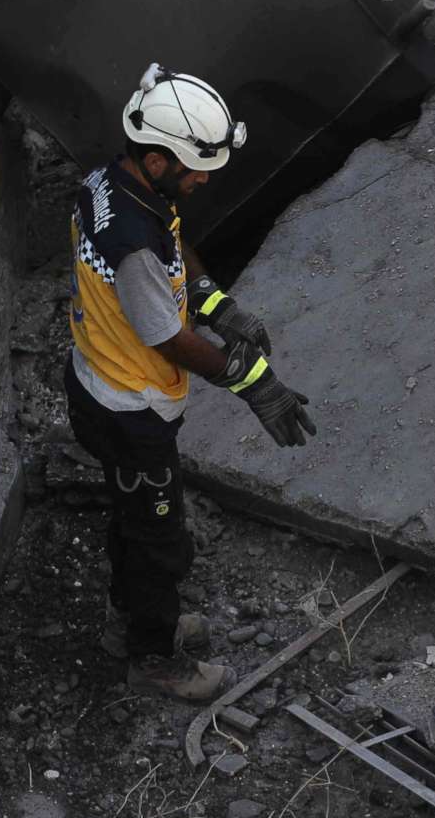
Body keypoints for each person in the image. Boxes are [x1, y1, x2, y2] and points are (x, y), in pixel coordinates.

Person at [65, 65, 317, 702]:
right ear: (155, 160)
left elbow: (177, 244)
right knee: (158, 542)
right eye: (191, 169)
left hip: (102, 386)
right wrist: (254, 382)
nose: (202, 181)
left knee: (132, 520)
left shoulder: (118, 184)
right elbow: (165, 338)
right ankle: (152, 659)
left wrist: (214, 302)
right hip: (131, 409)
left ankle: (131, 625)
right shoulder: (131, 244)